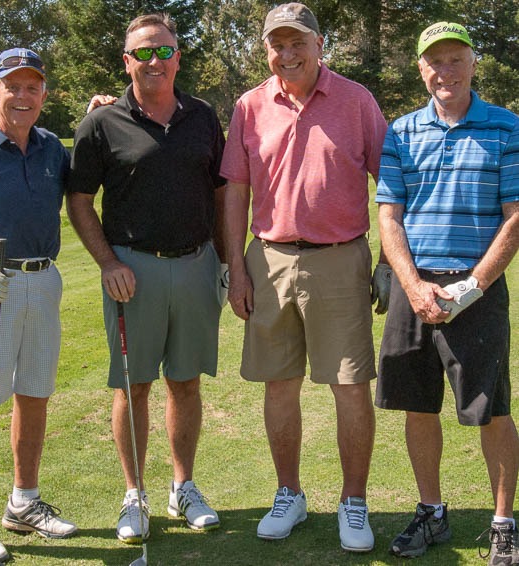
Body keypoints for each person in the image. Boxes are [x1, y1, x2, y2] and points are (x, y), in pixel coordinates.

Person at [220, 2, 388, 551]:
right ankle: (289, 494)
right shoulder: (249, 106)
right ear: (266, 49)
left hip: (340, 258)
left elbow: (390, 184)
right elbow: (236, 191)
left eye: (297, 43)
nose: (286, 54)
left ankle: (354, 501)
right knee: (278, 384)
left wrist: (389, 260)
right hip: (267, 260)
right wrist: (235, 270)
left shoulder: (356, 100)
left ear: (320, 45)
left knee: (348, 384)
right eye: (277, 44)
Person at [67, 12, 226, 543]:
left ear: (177, 56)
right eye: (142, 53)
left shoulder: (203, 117)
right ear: (127, 61)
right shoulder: (101, 122)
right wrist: (108, 263)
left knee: (184, 382)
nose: (153, 61)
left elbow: (223, 193)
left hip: (197, 263)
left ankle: (184, 487)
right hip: (132, 271)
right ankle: (134, 494)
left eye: (163, 50)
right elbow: (80, 201)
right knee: (134, 385)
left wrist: (228, 264)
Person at [377, 21, 519, 564]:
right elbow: (390, 215)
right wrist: (413, 287)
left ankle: (504, 521)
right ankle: (432, 513)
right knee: (417, 406)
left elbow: (514, 217)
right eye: (435, 61)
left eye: (456, 59)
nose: (446, 70)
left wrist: (474, 286)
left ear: (473, 64)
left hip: (476, 289)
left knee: (492, 408)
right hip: (415, 289)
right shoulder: (402, 131)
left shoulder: (506, 128)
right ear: (421, 69)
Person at [0, 48, 78, 563]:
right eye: (13, 86)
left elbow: (90, 185)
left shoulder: (51, 147)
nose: (23, 96)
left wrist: (99, 116)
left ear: (44, 94)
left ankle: (22, 503)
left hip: (43, 281)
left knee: (34, 394)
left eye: (33, 87)